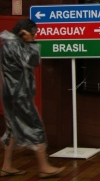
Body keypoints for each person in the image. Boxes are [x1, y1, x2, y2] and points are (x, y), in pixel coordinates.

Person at [0, 19, 65, 178]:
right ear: (23, 32)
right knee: (36, 126)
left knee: (12, 129)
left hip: (11, 94)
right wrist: (31, 42)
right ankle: (43, 167)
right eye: (33, 33)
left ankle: (6, 166)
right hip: (19, 96)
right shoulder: (14, 45)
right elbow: (33, 60)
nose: (34, 36)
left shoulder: (9, 43)